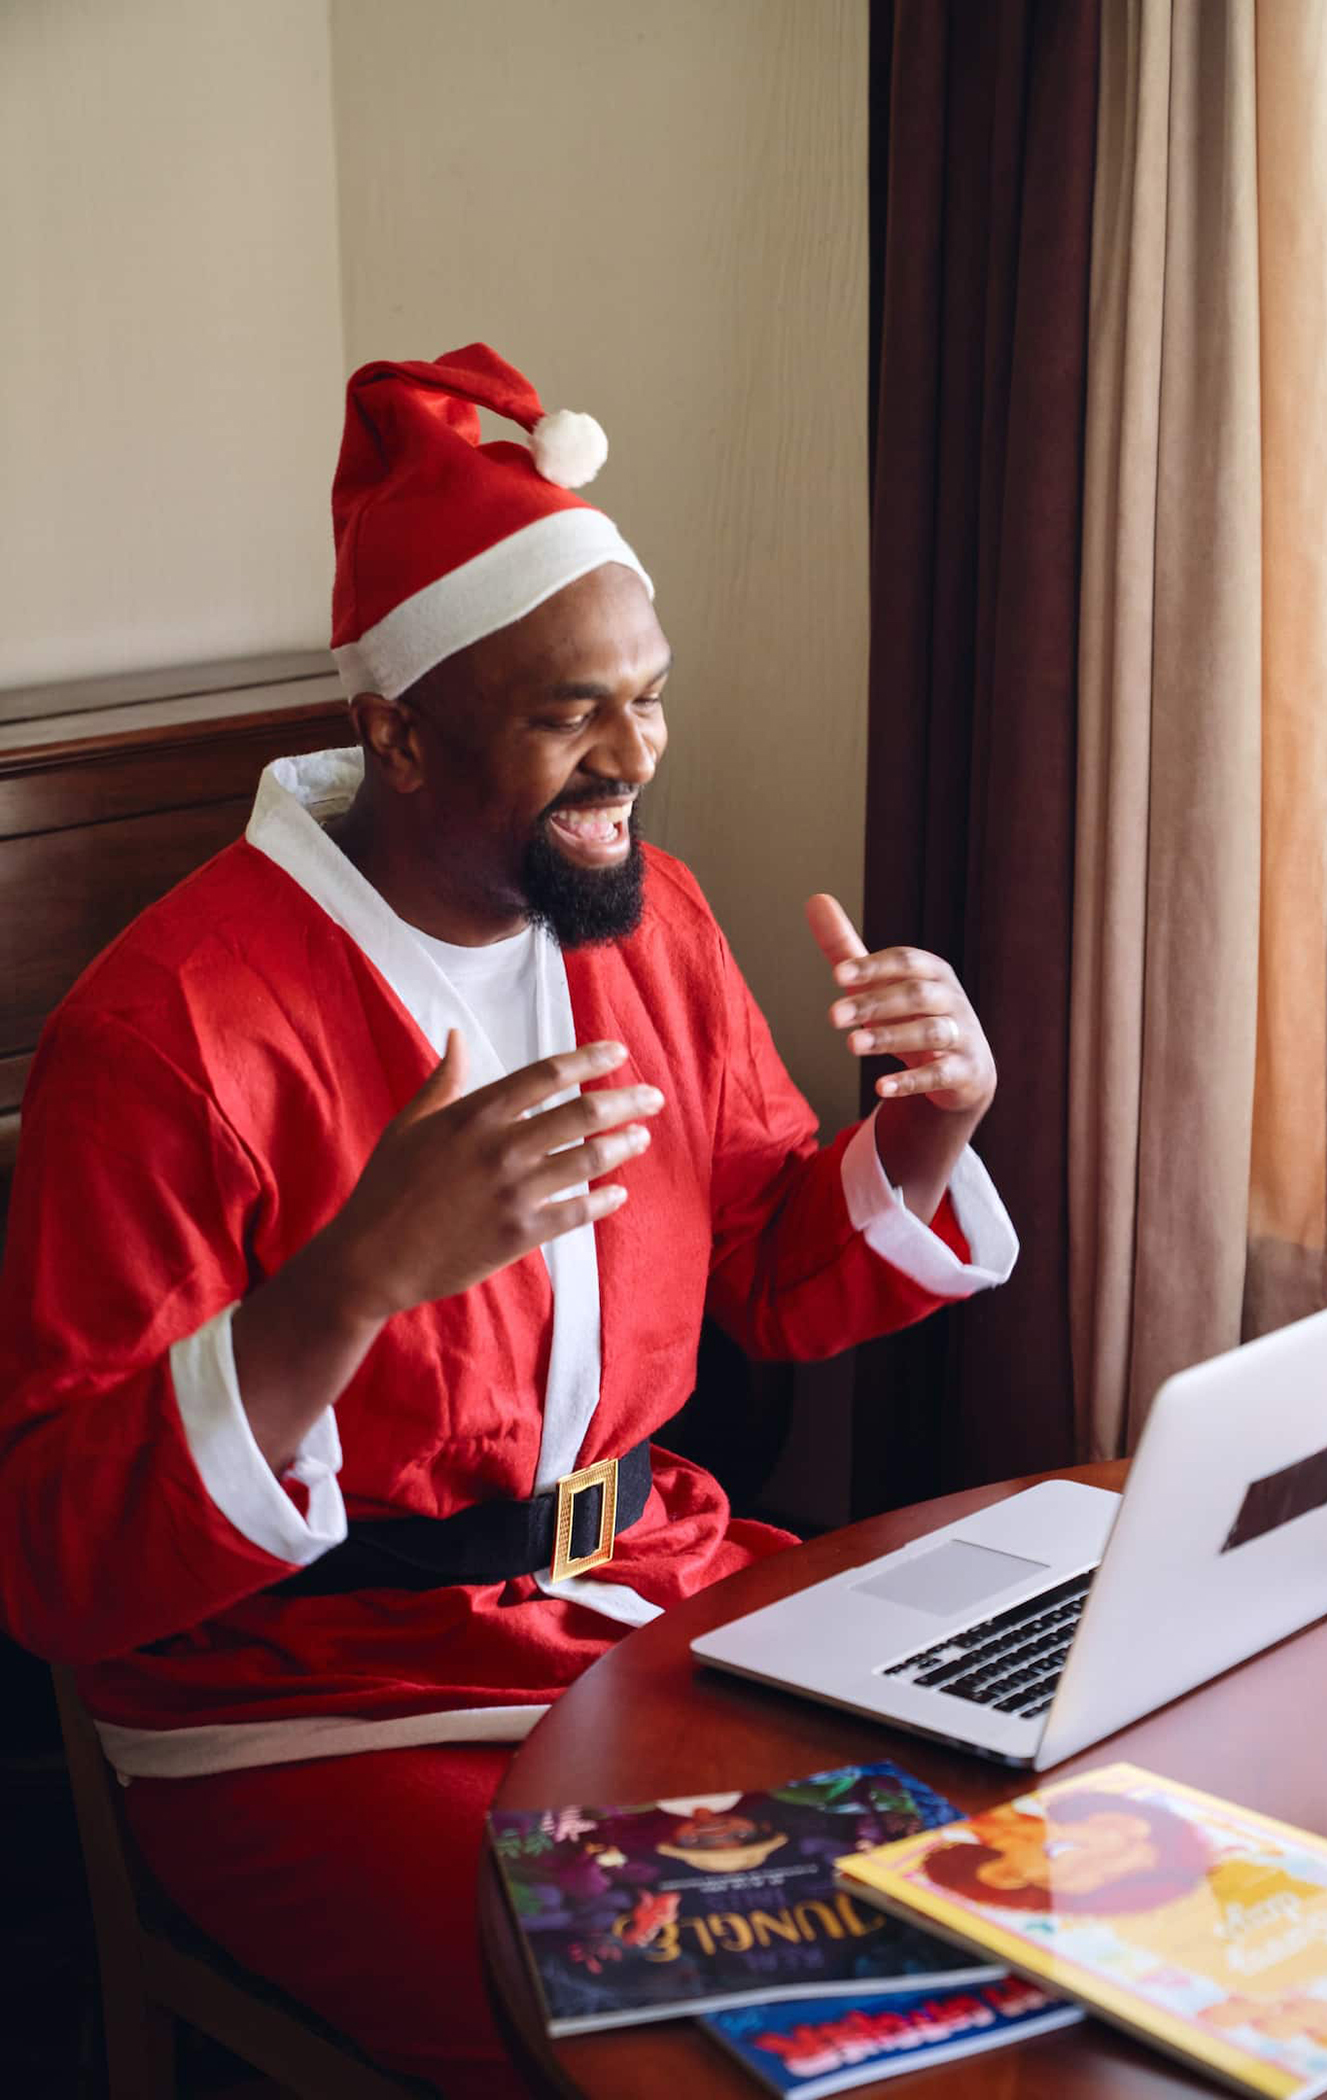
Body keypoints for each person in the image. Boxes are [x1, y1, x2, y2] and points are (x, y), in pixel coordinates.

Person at [0, 343, 1016, 2095]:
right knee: (741, 2051)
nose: (638, 754)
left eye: (651, 694)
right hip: (320, 1709)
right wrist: (353, 1283)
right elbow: (51, 1560)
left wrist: (921, 1141)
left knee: (1022, 1863)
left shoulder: (649, 922)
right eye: (572, 713)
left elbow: (765, 1269)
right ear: (396, 729)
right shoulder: (165, 1031)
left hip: (660, 1598)